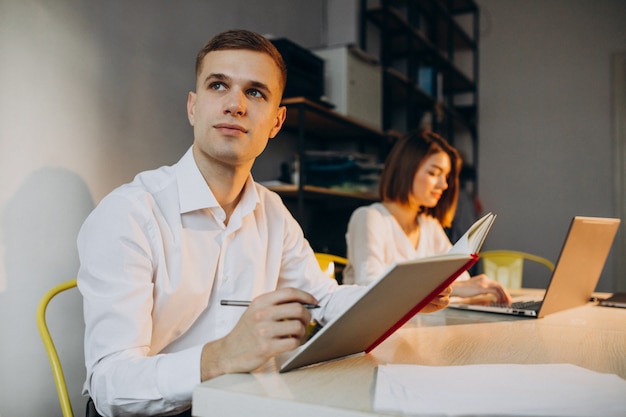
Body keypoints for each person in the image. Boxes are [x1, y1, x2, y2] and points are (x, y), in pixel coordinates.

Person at [77, 30, 452, 417]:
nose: (235, 104)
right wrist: (220, 356)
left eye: (255, 92)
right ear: (193, 107)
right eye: (218, 85)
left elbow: (323, 300)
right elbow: (110, 385)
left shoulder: (273, 211)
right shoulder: (129, 213)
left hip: (244, 404)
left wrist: (406, 296)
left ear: (276, 122)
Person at [343, 129, 512, 304]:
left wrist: (463, 288)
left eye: (446, 176)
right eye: (433, 173)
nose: (444, 184)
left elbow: (461, 278)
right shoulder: (369, 217)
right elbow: (370, 286)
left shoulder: (429, 225)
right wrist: (456, 289)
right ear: (405, 169)